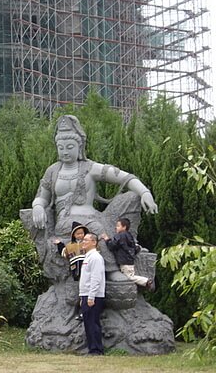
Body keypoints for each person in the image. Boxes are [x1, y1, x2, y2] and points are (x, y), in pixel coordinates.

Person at [31, 115, 157, 275]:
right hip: (67, 222)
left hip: (95, 216)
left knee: (132, 197)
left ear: (80, 146)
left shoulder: (90, 167)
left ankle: (126, 250)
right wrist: (37, 207)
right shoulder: (53, 170)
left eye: (69, 147)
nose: (65, 152)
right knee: (97, 230)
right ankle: (112, 271)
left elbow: (125, 177)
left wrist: (144, 192)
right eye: (60, 147)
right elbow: (42, 197)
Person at [101, 217, 155, 291]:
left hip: (125, 261)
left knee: (129, 277)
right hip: (129, 259)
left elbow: (112, 245)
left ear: (124, 227)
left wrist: (107, 239)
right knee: (128, 275)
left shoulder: (120, 235)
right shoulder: (129, 235)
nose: (116, 228)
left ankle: (147, 281)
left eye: (118, 226)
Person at [53, 221, 89, 320]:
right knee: (81, 292)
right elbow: (64, 253)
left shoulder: (87, 243)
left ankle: (84, 312)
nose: (80, 235)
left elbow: (95, 251)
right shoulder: (70, 246)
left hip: (87, 270)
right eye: (78, 233)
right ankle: (82, 311)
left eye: (82, 233)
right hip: (76, 271)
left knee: (86, 292)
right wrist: (59, 244)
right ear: (73, 234)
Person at [79, 233, 105, 355]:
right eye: (83, 240)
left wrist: (91, 296)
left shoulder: (95, 257)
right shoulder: (88, 257)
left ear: (94, 242)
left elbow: (96, 278)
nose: (83, 242)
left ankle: (96, 349)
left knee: (93, 322)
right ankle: (92, 348)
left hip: (93, 296)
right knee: (88, 322)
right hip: (86, 294)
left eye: (86, 240)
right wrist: (82, 296)